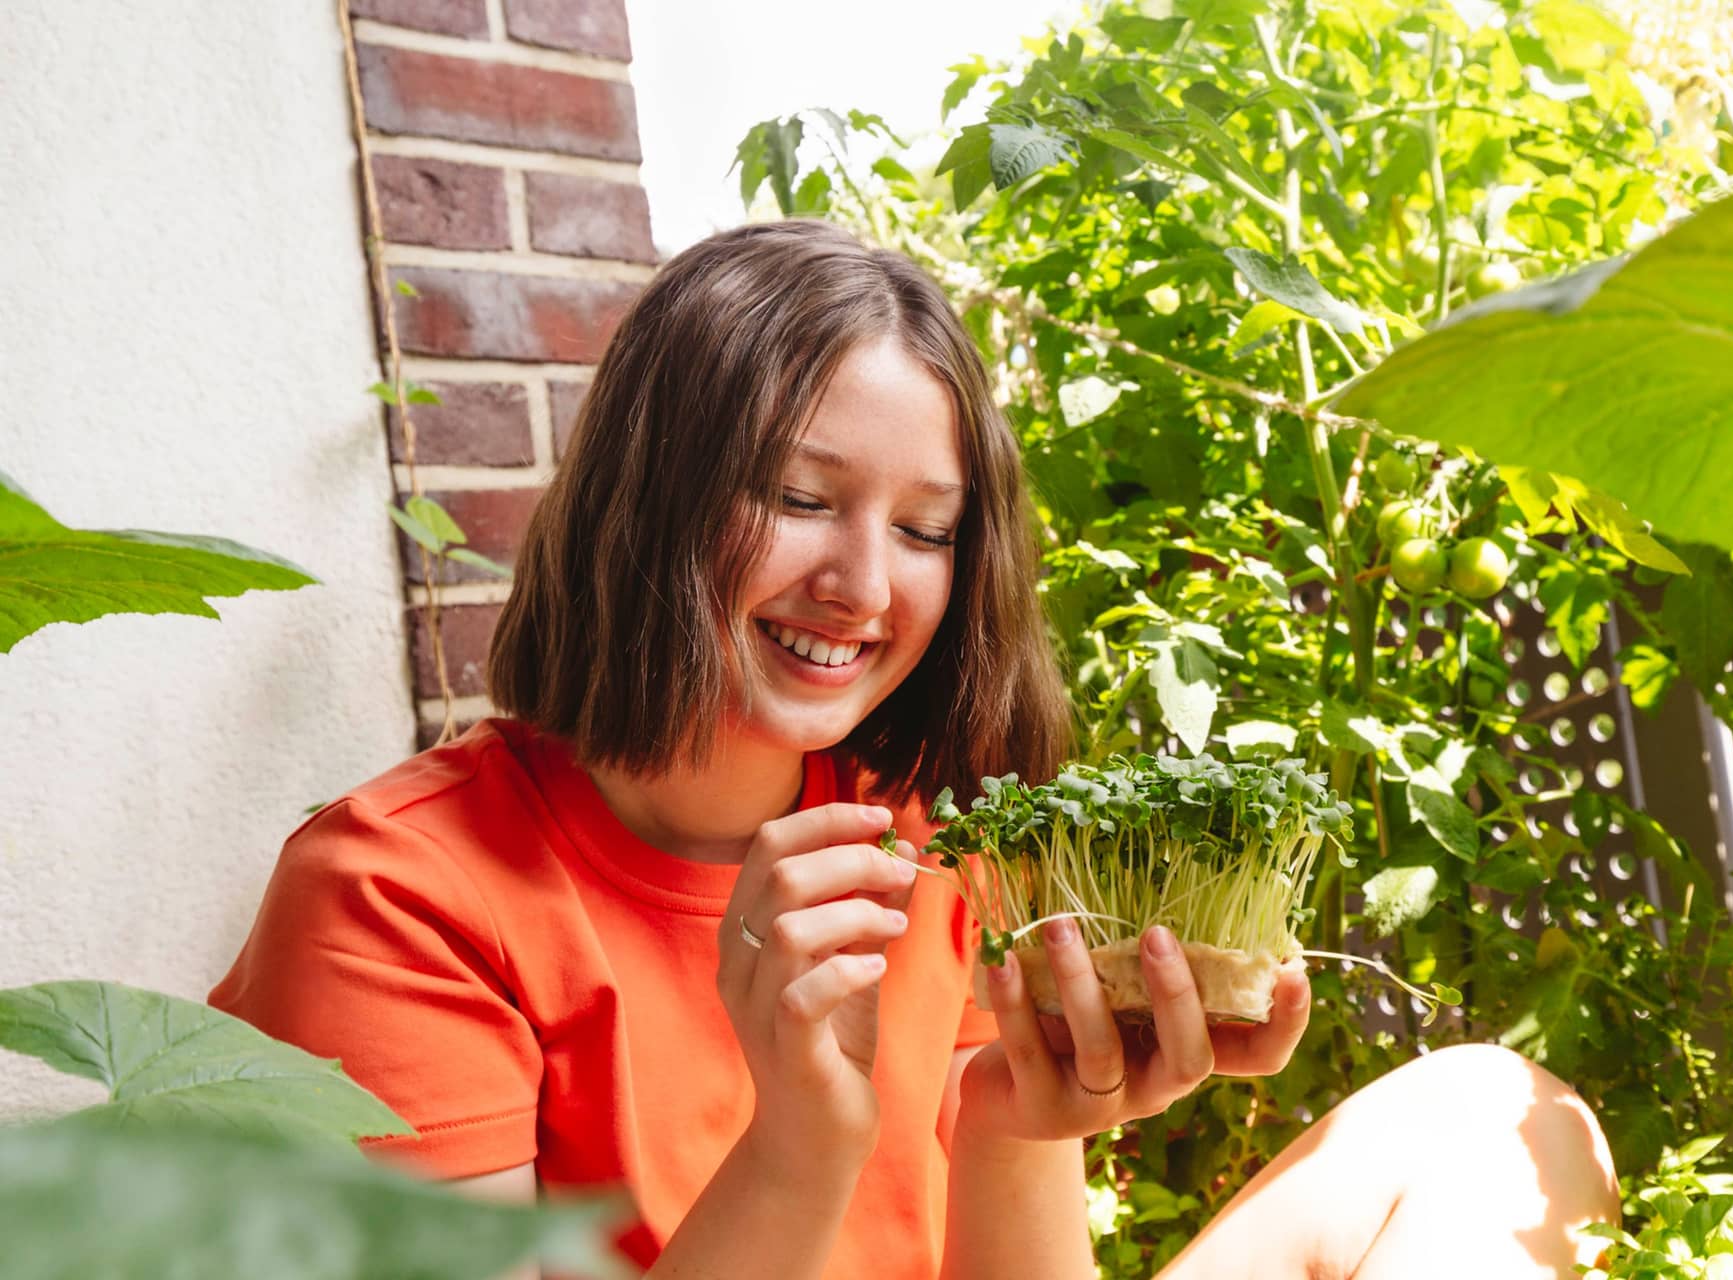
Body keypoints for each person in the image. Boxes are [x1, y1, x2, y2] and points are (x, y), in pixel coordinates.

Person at [211, 220, 1617, 1279]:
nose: (867, 588)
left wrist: (1016, 1120)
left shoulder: (928, 839)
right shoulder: (397, 898)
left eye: (927, 529)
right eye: (802, 497)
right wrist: (803, 1142)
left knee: (1492, 1113)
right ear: (652, 500)